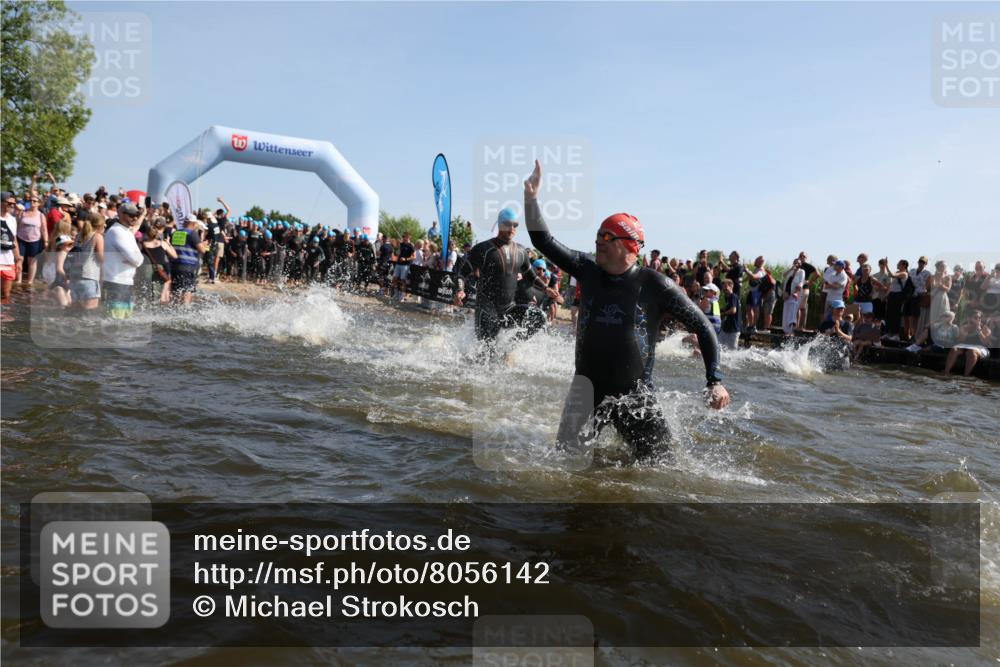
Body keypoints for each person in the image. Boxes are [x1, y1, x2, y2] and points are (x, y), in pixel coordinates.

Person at [523, 160, 729, 463]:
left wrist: (715, 380)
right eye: (597, 235)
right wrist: (531, 199)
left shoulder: (656, 285)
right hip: (585, 392)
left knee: (664, 469)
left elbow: (704, 326)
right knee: (563, 465)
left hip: (635, 397)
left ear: (630, 244)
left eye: (607, 237)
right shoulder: (587, 270)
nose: (598, 242)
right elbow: (543, 240)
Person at [456, 207, 538, 354]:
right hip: (486, 309)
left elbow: (532, 278)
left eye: (515, 225)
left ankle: (509, 349)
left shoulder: (521, 251)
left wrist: (547, 289)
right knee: (487, 354)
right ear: (500, 225)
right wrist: (460, 290)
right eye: (508, 224)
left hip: (509, 309)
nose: (512, 228)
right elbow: (462, 273)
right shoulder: (483, 249)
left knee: (538, 318)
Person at [102, 203, 145, 318]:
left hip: (127, 281)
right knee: (114, 321)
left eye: (136, 215)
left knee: (126, 321)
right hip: (115, 281)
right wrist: (135, 260)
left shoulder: (128, 232)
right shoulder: (116, 231)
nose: (135, 218)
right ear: (120, 214)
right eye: (131, 215)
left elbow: (139, 258)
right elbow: (136, 259)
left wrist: (135, 259)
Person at [68, 212, 104, 310]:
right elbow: (100, 257)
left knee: (75, 309)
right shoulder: (97, 237)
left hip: (75, 276)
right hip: (90, 276)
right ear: (100, 225)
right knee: (90, 312)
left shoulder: (79, 235)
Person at [169, 214, 208, 305]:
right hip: (188, 266)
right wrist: (204, 244)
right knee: (187, 290)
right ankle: (186, 311)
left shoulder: (175, 233)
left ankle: (174, 310)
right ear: (193, 224)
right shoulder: (192, 233)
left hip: (175, 265)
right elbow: (202, 250)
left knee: (176, 290)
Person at [943, 310, 991, 376]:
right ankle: (946, 372)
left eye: (979, 318)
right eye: (975, 318)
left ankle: (966, 375)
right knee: (954, 349)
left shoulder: (985, 328)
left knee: (971, 352)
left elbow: (985, 342)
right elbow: (961, 340)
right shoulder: (964, 327)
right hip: (965, 345)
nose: (978, 320)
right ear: (969, 318)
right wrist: (966, 330)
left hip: (980, 347)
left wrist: (979, 331)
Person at [15, 192, 47, 287]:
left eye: (34, 201)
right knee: (19, 259)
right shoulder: (23, 212)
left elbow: (44, 229)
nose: (32, 202)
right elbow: (16, 223)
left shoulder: (41, 215)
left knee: (32, 261)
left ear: (38, 203)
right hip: (21, 238)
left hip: (35, 240)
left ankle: (30, 281)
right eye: (30, 200)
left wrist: (46, 241)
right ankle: (18, 280)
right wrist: (18, 214)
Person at [141, 219, 176, 304]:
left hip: (146, 268)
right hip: (160, 268)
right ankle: (162, 299)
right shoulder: (162, 243)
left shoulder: (143, 244)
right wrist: (169, 243)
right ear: (156, 234)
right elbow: (174, 256)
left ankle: (148, 302)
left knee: (148, 287)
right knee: (166, 282)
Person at [1, 194, 23, 304]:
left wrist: (18, 259)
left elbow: (14, 241)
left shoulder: (12, 220)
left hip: (8, 261)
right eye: (9, 203)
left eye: (13, 204)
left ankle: (4, 319)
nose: (12, 206)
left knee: (6, 294)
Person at [781, 258, 806, 335]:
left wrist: (797, 291)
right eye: (795, 262)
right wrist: (791, 269)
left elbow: (801, 282)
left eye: (798, 263)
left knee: (792, 312)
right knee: (786, 311)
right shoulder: (790, 271)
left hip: (795, 294)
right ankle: (786, 330)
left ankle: (791, 330)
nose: (796, 264)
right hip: (787, 294)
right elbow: (783, 275)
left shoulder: (801, 271)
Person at [718, 279, 740, 349]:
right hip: (726, 328)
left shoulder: (733, 296)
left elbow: (733, 310)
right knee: (718, 347)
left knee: (732, 351)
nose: (724, 289)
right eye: (723, 287)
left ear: (731, 286)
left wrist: (723, 314)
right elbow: (726, 308)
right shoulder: (727, 298)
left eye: (726, 287)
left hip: (734, 329)